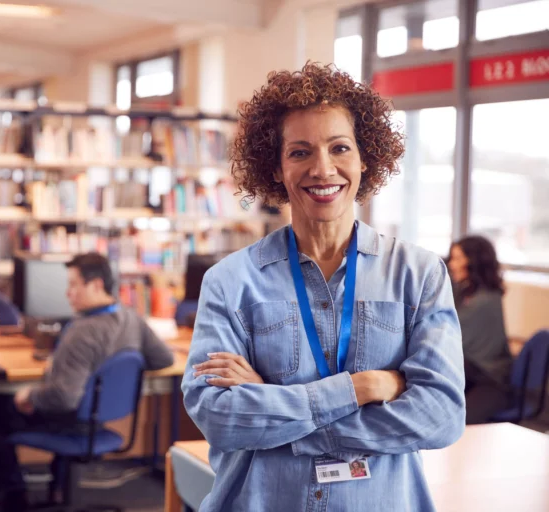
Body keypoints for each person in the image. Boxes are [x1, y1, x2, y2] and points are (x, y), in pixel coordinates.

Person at [182, 63, 465, 512]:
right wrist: (359, 389)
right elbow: (220, 417)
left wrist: (276, 408)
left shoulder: (419, 274)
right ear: (275, 168)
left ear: (365, 157)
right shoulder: (230, 282)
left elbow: (442, 417)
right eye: (299, 152)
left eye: (340, 148)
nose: (323, 168)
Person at [0, 252, 174, 512]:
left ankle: (14, 496)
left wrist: (29, 396)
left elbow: (63, 398)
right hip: (98, 418)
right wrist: (122, 365)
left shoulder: (81, 332)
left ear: (95, 285)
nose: (67, 293)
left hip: (70, 420)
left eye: (73, 285)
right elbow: (163, 359)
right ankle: (57, 492)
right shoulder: (131, 319)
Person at [447, 236, 513, 424]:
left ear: (474, 262)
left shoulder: (483, 301)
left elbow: (448, 339)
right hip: (470, 375)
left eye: (458, 258)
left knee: (456, 423)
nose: (452, 265)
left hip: (491, 382)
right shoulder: (467, 293)